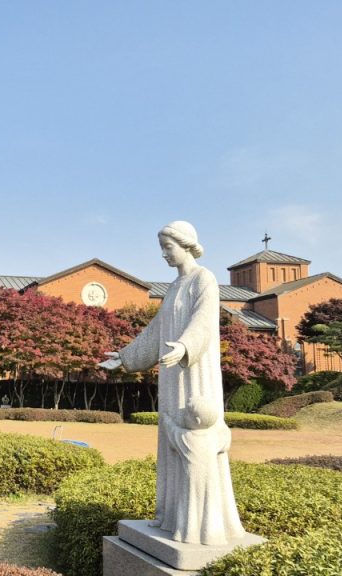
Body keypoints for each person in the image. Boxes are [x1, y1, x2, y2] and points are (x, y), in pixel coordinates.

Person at [100, 221, 245, 546]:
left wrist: (184, 346)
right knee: (173, 440)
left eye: (168, 247)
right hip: (172, 376)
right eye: (162, 248)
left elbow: (204, 321)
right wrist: (125, 357)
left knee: (194, 437)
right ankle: (173, 516)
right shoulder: (174, 287)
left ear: (186, 245)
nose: (164, 254)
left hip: (194, 371)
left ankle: (202, 522)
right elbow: (156, 331)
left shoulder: (203, 279)